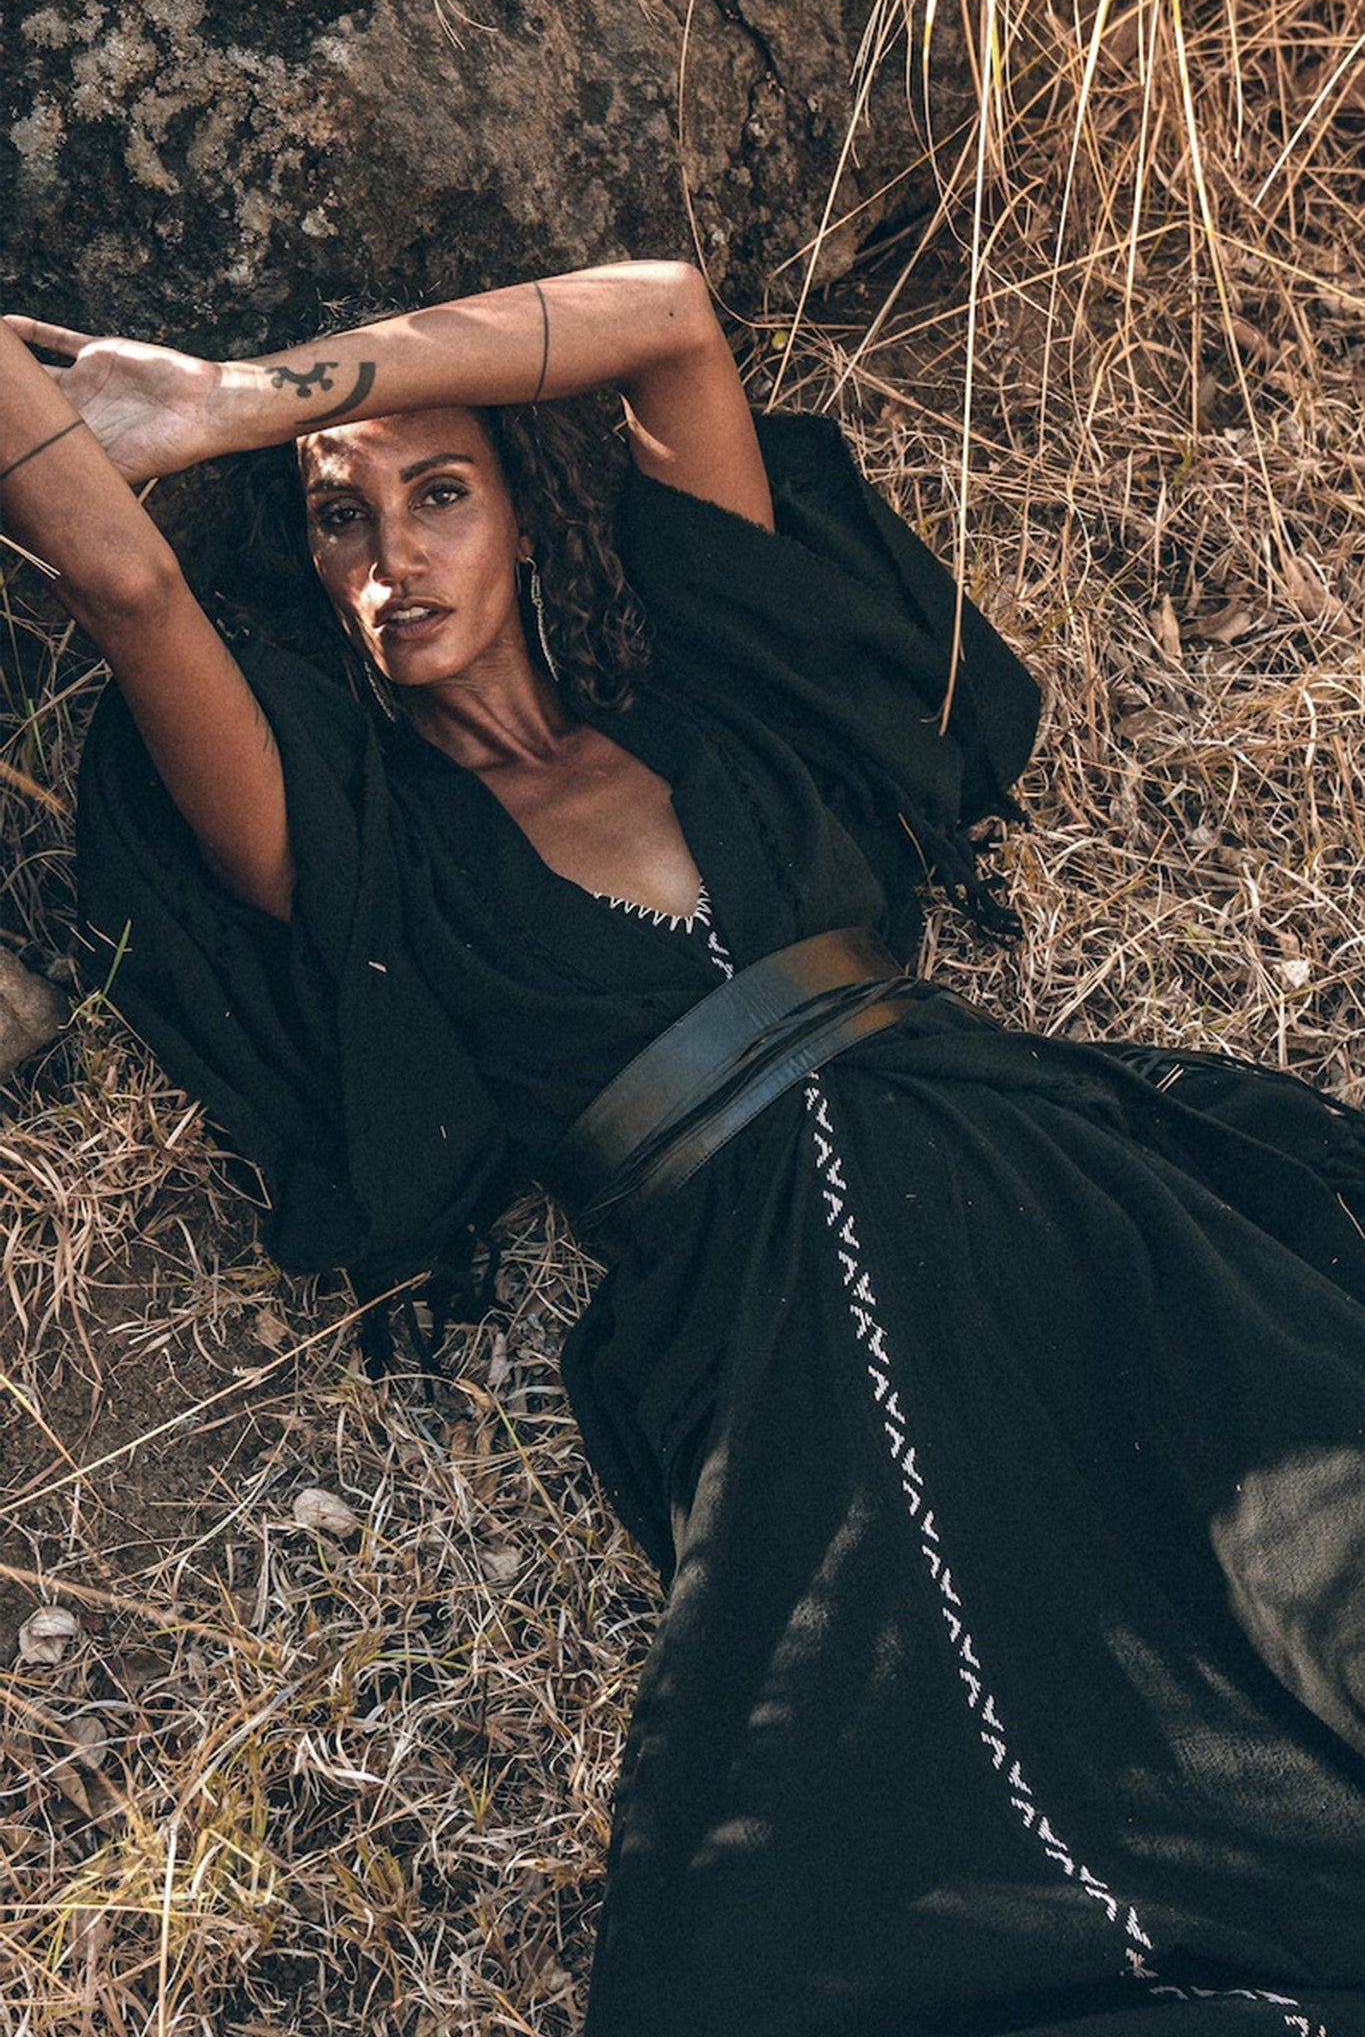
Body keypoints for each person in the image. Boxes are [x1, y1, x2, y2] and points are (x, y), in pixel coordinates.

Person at [2, 264, 1362, 2037]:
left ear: (523, 513)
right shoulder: (359, 848)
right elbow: (123, 579)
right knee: (935, 1728)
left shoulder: (712, 695)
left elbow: (664, 314)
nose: (389, 556)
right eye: (339, 519)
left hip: (1049, 1165)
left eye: (437, 493)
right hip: (781, 1280)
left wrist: (241, 400)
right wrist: (133, 455)